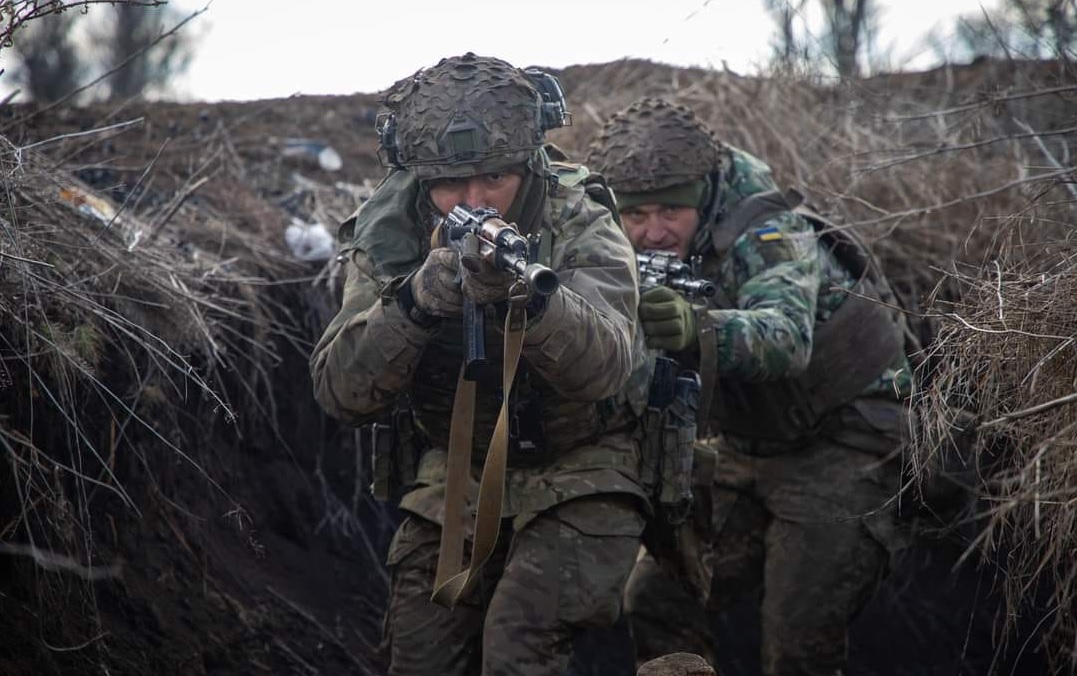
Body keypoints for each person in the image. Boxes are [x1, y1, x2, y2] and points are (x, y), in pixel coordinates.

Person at [309, 53, 651, 676]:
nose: (474, 201)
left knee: (519, 645)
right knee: (419, 653)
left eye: (493, 178)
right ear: (419, 181)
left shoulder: (578, 221)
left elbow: (607, 367)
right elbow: (341, 392)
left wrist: (531, 305)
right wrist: (414, 303)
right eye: (449, 185)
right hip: (458, 471)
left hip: (582, 466)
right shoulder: (390, 234)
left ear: (525, 166)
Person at [586, 97, 913, 676]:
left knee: (797, 646)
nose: (653, 233)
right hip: (745, 446)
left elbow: (786, 338)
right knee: (657, 603)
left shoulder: (764, 226)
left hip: (844, 443)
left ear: (701, 195)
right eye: (636, 217)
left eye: (670, 212)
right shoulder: (616, 238)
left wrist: (696, 328)